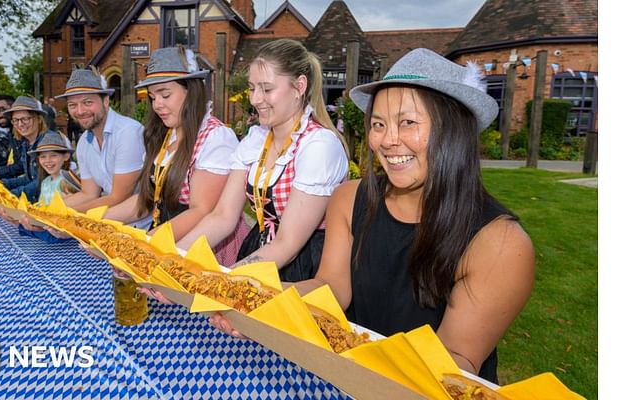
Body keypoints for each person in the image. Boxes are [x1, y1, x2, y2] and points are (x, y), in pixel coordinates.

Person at [217, 48, 536, 383]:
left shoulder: (501, 245)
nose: (388, 140)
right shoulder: (349, 198)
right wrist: (261, 300)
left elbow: (454, 364)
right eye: (379, 124)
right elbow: (331, 289)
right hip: (344, 375)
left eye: (408, 123)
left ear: (454, 130)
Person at [173, 38, 349, 282]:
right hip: (259, 250)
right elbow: (223, 215)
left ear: (299, 86)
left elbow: (288, 243)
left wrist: (223, 283)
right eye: (252, 88)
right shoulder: (256, 139)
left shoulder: (319, 146)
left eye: (266, 89)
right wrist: (172, 259)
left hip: (303, 264)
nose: (255, 99)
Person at [101, 46, 242, 264]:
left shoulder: (216, 138)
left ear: (192, 90)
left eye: (165, 94)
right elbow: (147, 200)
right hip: (164, 243)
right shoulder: (164, 134)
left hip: (200, 251)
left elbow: (201, 211)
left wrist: (145, 246)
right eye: (152, 97)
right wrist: (96, 221)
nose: (157, 105)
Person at [54, 68, 147, 221]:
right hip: (104, 221)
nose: (80, 111)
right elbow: (88, 193)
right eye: (72, 105)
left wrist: (66, 215)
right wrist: (47, 210)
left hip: (139, 226)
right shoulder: (84, 141)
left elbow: (118, 197)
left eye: (87, 102)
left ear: (105, 101)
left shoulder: (128, 132)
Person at [0, 96, 52, 202]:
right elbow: (29, 178)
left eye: (25, 119)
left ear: (38, 119)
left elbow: (42, 182)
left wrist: (11, 195)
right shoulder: (26, 143)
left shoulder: (48, 142)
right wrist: (0, 183)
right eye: (15, 120)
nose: (20, 124)